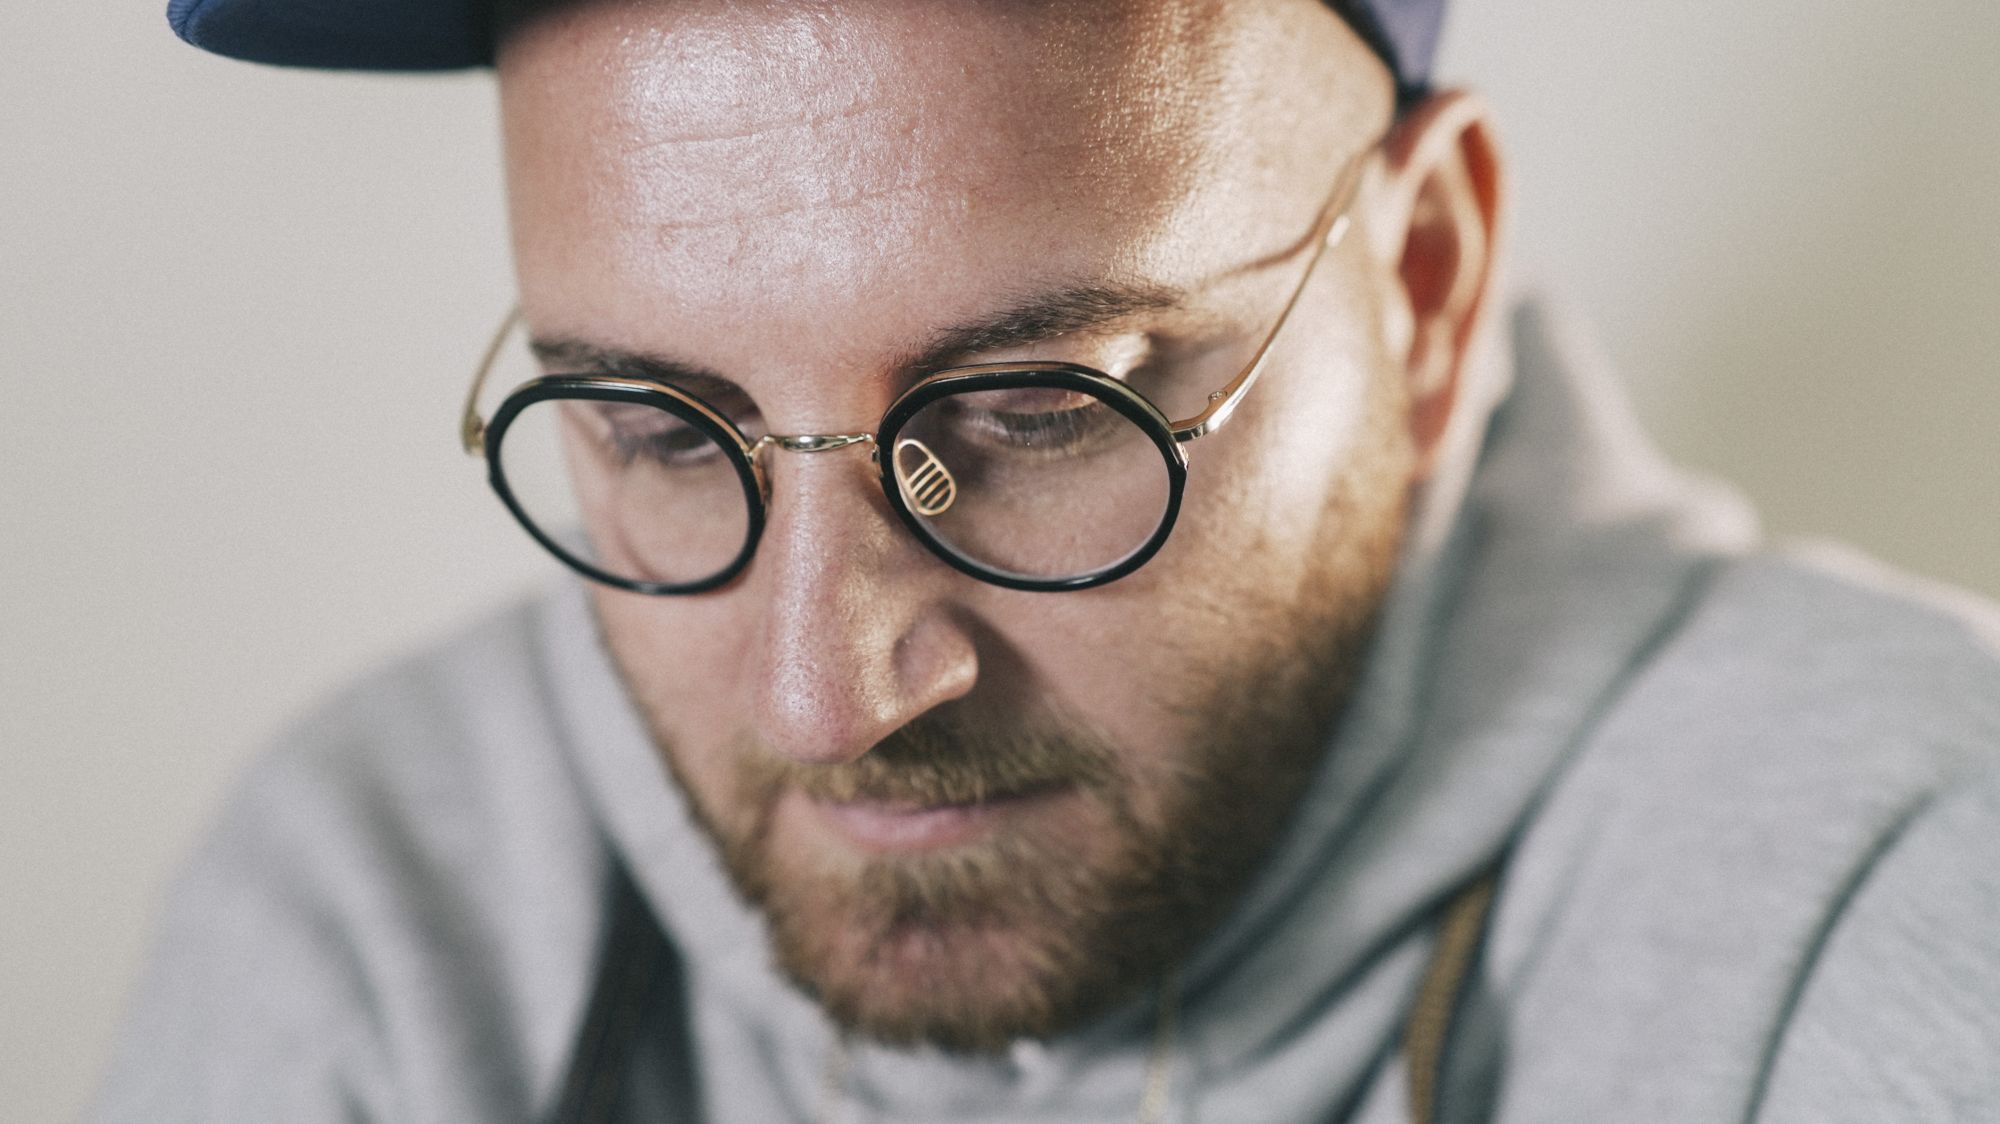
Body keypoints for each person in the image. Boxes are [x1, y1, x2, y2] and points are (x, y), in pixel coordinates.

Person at [97, 0, 2000, 1120]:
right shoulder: (381, 908)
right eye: (663, 432)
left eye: (1033, 408)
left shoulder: (1910, 887)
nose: (825, 699)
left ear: (1423, 284)